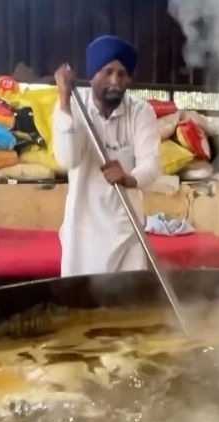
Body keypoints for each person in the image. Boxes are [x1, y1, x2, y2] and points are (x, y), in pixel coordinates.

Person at [53, 35, 161, 276]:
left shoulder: (140, 112)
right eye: (108, 71)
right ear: (92, 75)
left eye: (122, 74)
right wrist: (63, 99)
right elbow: (68, 159)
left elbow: (152, 166)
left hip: (126, 230)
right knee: (80, 304)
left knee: (130, 305)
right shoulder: (72, 106)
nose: (115, 81)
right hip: (82, 231)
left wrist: (128, 179)